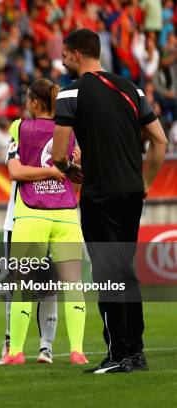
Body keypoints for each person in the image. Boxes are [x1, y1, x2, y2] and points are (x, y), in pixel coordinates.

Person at [52, 29, 167, 374]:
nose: (61, 60)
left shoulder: (70, 91)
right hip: (132, 192)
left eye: (64, 54)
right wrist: (145, 182)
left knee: (108, 274)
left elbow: (58, 153)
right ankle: (136, 352)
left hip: (99, 192)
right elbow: (159, 140)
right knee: (126, 272)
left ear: (75, 54)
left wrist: (69, 167)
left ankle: (119, 355)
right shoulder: (132, 89)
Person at [1, 78, 88, 366]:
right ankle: (77, 351)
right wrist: (63, 169)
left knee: (24, 284)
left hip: (30, 211)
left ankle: (15, 352)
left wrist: (46, 173)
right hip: (65, 213)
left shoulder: (19, 127)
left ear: (35, 103)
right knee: (74, 284)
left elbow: (15, 171)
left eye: (28, 100)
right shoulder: (70, 131)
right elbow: (77, 174)